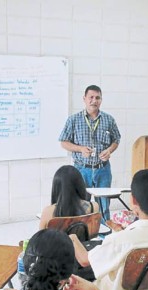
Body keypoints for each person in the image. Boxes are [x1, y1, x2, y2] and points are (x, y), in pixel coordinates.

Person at [59, 85, 121, 221]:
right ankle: (83, 232)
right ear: (84, 99)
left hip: (103, 169)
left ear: (101, 100)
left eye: (97, 98)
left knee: (104, 206)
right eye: (91, 97)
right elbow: (63, 142)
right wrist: (80, 149)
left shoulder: (108, 120)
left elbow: (116, 139)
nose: (94, 100)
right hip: (82, 169)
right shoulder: (73, 120)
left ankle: (105, 234)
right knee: (81, 205)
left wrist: (109, 150)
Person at [39, 165, 100, 230]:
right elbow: (93, 234)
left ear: (56, 187)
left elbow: (40, 238)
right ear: (80, 184)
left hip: (58, 240)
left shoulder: (48, 212)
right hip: (81, 240)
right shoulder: (94, 207)